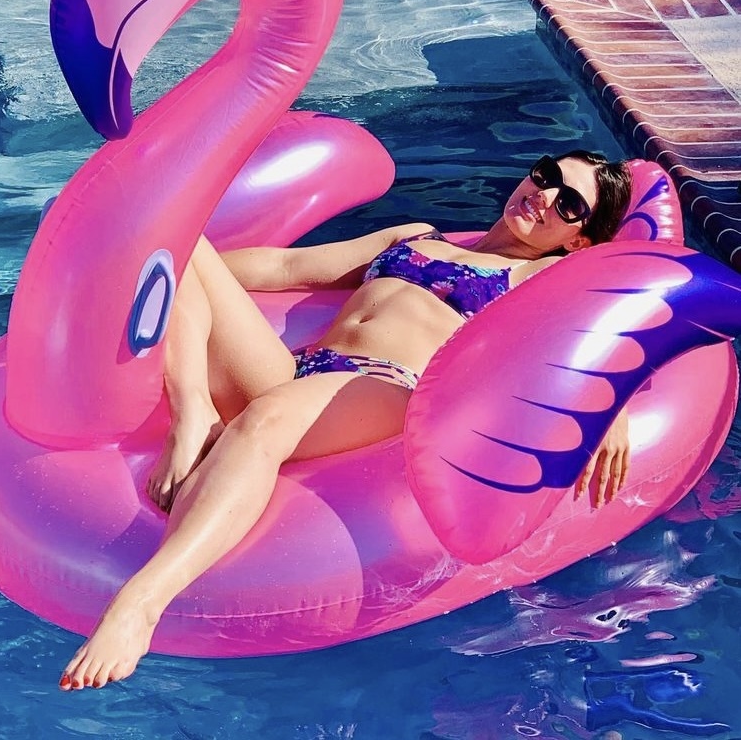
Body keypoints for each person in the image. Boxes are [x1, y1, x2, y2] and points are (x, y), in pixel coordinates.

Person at [59, 149, 632, 690]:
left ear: (578, 239)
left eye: (569, 204)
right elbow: (286, 265)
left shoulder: (538, 280)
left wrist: (616, 408)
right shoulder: (415, 236)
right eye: (546, 175)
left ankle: (140, 603)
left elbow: (592, 336)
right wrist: (165, 271)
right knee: (179, 241)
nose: (545, 195)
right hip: (303, 371)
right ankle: (194, 415)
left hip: (386, 388)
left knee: (266, 420)